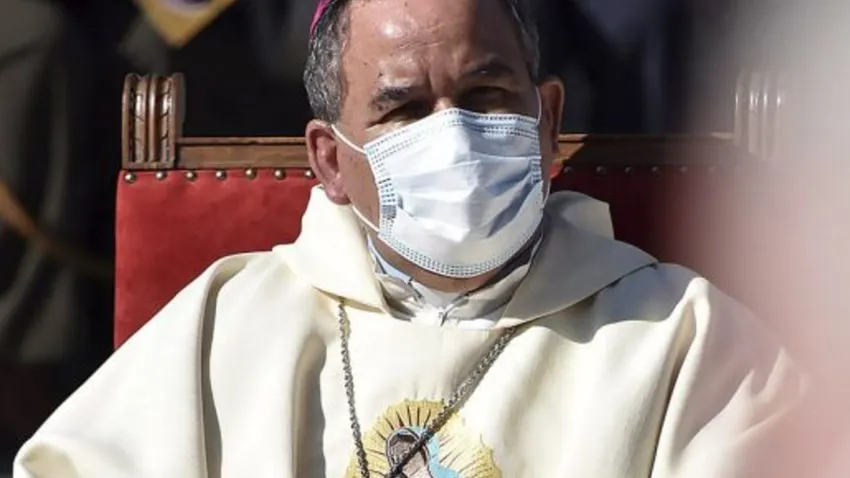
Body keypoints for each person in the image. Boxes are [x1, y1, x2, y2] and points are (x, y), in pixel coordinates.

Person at [14, 0, 804, 476]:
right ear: (330, 160)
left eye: (485, 95)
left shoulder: (685, 343)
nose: (453, 135)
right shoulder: (225, 329)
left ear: (548, 124)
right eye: (404, 109)